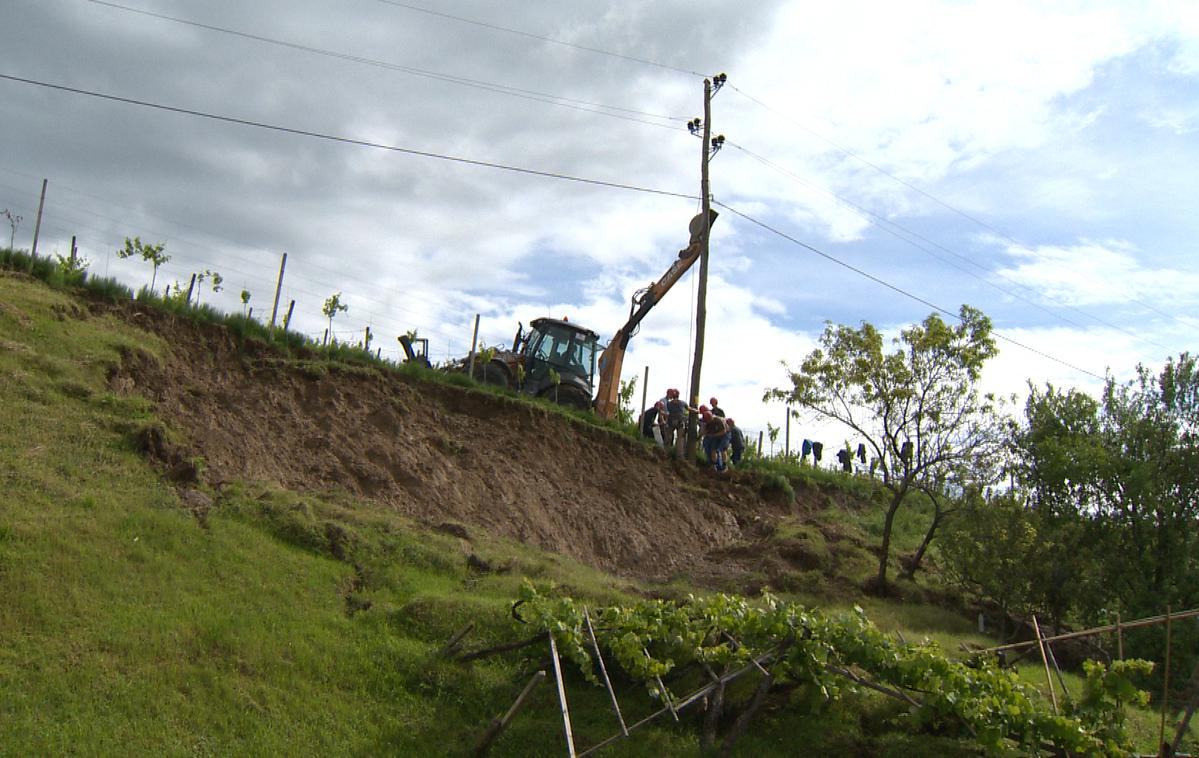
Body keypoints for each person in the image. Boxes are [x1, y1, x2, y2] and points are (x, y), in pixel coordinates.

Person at [700, 406, 730, 472]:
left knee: (722, 448)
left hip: (725, 434)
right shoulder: (707, 423)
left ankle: (724, 466)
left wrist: (713, 435)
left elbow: (723, 431)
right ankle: (714, 466)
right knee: (713, 449)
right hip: (716, 435)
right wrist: (702, 435)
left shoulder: (718, 420)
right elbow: (705, 431)